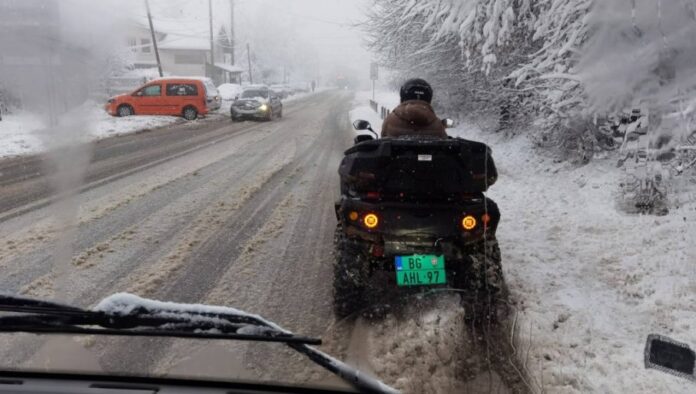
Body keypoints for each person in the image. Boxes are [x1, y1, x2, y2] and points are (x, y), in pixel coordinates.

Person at [381, 78, 447, 138]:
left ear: (403, 96)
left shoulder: (390, 120)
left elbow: (383, 139)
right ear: (429, 97)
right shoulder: (437, 124)